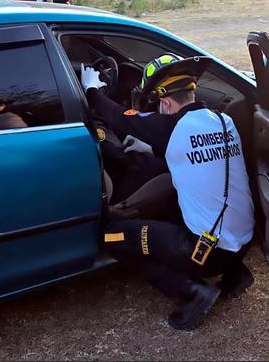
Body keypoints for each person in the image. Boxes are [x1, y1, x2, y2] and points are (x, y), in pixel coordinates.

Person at [82, 54, 256, 331]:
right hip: (244, 242)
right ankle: (236, 274)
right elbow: (198, 161)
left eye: (157, 106)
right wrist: (149, 149)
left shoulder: (171, 126)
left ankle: (192, 293)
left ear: (165, 102)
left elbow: (116, 116)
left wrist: (91, 89)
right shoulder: (224, 120)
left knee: (111, 236)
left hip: (204, 253)